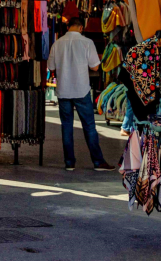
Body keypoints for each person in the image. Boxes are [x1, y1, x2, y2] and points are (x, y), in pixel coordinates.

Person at [47, 16, 114, 171]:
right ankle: (98, 162)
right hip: (81, 89)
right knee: (89, 126)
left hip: (63, 90)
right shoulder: (87, 43)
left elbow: (51, 68)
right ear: (81, 27)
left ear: (68, 27)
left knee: (67, 126)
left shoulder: (57, 44)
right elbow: (96, 67)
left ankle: (69, 162)